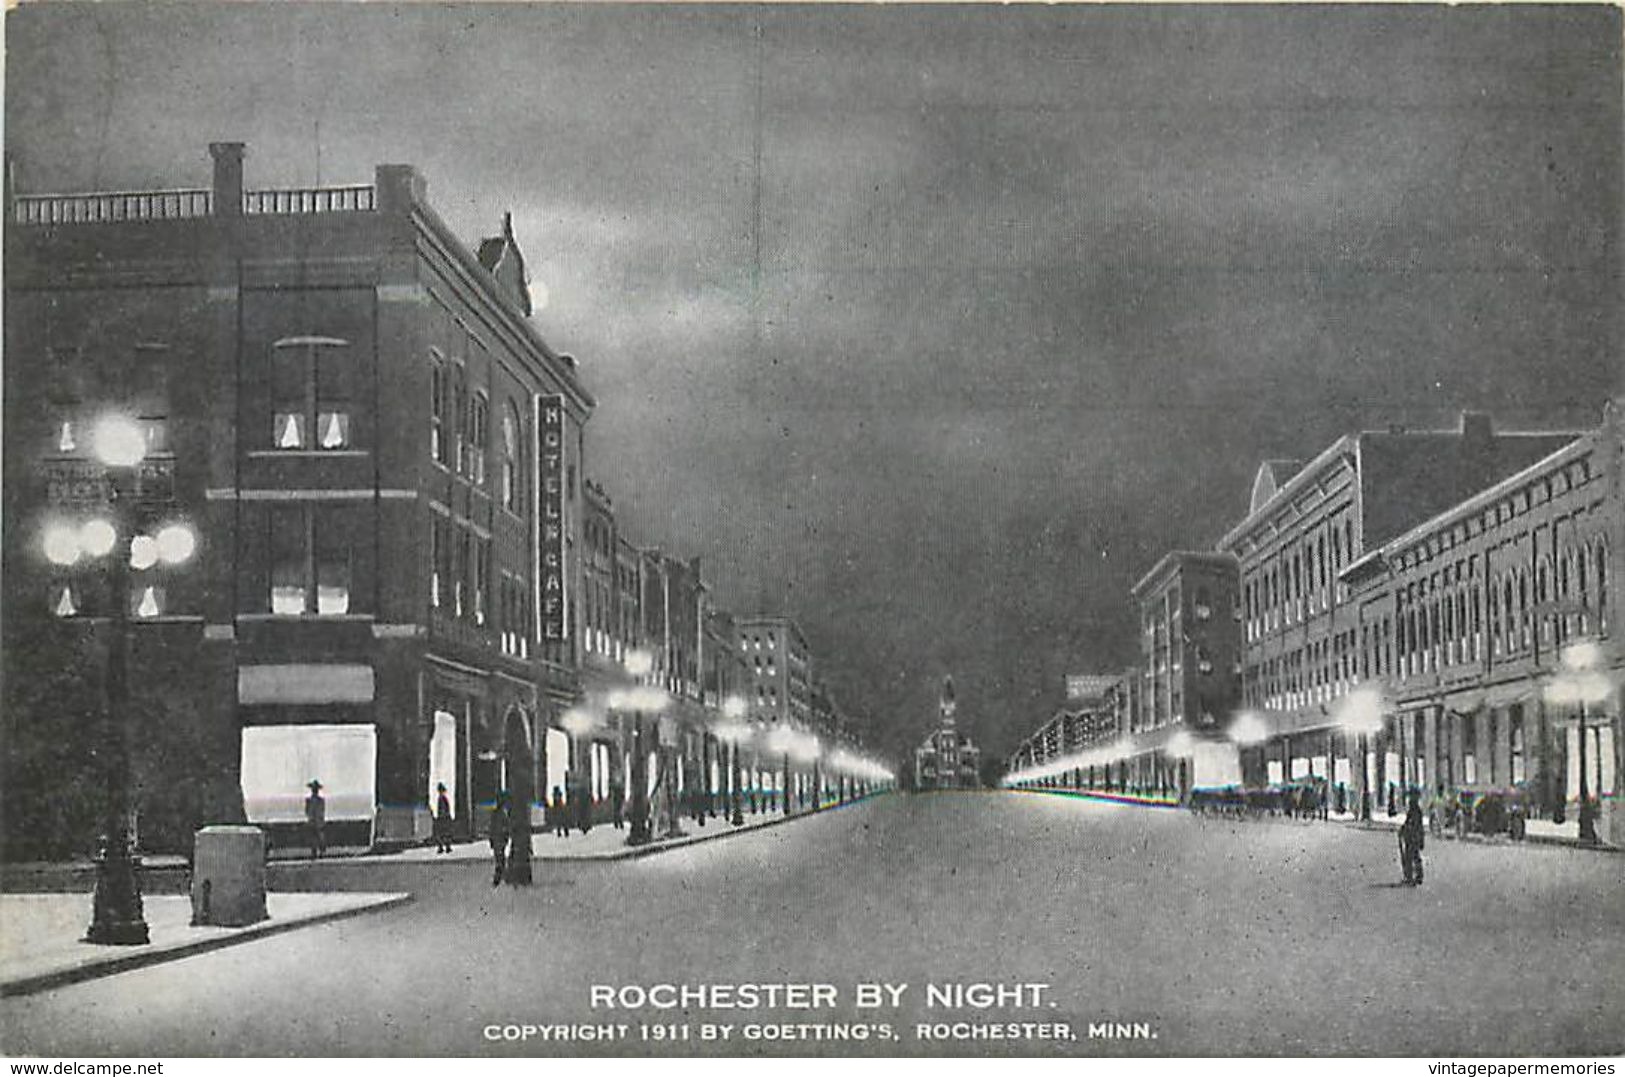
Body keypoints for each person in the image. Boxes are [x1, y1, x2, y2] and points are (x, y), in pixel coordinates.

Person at [1399, 791, 1425, 886]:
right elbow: (1407, 822)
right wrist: (1403, 828)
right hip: (1413, 836)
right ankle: (1417, 876)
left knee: (1410, 856)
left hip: (1413, 836)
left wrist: (1405, 829)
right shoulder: (1413, 810)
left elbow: (1415, 824)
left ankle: (1411, 877)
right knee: (1414, 856)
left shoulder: (1416, 811)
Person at [488, 791, 512, 886]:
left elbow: (492, 827)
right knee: (500, 860)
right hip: (499, 839)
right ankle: (500, 879)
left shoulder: (497, 813)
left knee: (500, 859)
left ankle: (502, 878)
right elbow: (501, 827)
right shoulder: (500, 814)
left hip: (499, 840)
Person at [304, 780, 327, 859]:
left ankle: (318, 852)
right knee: (315, 837)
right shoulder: (316, 800)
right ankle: (315, 852)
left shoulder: (311, 800)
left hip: (316, 820)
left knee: (318, 837)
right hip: (316, 820)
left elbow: (307, 811)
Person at [433, 782, 454, 854]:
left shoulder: (441, 798)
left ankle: (442, 847)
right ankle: (446, 847)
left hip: (443, 818)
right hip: (445, 817)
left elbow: (441, 809)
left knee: (442, 833)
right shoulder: (444, 798)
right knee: (445, 833)